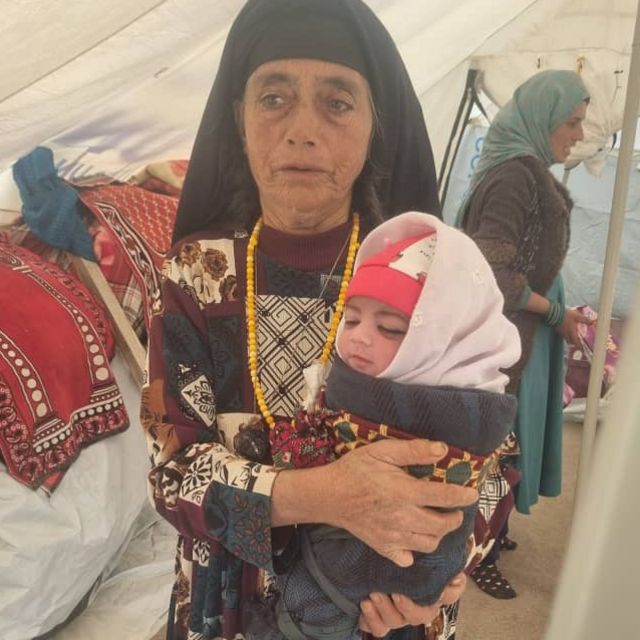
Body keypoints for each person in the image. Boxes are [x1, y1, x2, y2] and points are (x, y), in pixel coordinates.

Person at [141, 2, 478, 639]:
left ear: (377, 126)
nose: (302, 130)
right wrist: (331, 495)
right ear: (237, 121)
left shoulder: (432, 278)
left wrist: (444, 578)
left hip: (388, 611)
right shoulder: (196, 273)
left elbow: (493, 468)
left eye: (338, 102)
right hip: (230, 608)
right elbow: (171, 472)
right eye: (273, 98)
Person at [258, 211, 521, 639]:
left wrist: (449, 575)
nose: (359, 337)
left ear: (442, 337)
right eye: (352, 317)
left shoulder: (467, 402)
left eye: (390, 328)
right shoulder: (350, 377)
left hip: (396, 609)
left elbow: (488, 486)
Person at [457, 69, 593, 598]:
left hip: (525, 330)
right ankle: (478, 550)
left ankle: (499, 529)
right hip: (510, 334)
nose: (579, 135)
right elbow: (493, 270)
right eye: (573, 123)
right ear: (542, 120)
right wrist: (555, 313)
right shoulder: (515, 175)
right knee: (502, 445)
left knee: (516, 437)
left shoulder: (522, 167)